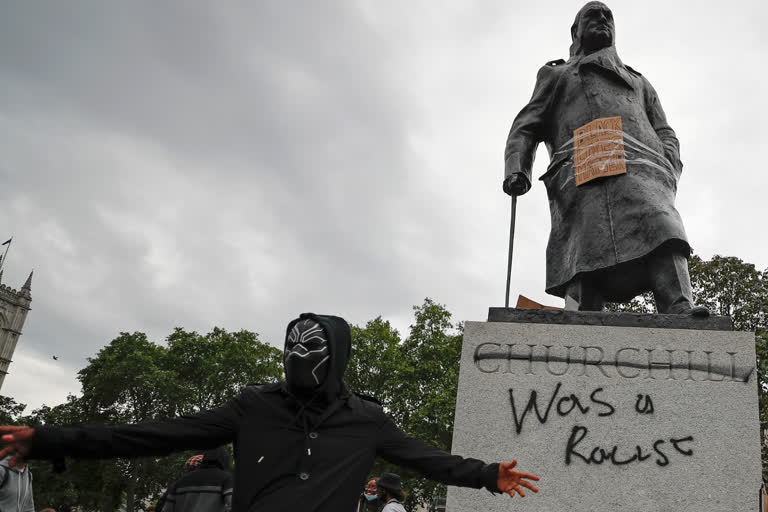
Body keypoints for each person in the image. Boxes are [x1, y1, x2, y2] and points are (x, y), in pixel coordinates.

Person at [0, 313, 539, 511]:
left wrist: (488, 475)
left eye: (313, 350)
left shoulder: (365, 420)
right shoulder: (253, 407)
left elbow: (425, 459)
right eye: (293, 348)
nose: (298, 360)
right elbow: (151, 434)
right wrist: (49, 439)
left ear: (337, 358)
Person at [503, 1, 708, 316]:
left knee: (663, 225)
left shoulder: (639, 81)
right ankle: (584, 313)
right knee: (585, 246)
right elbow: (526, 127)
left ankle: (679, 303)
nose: (601, 19)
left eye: (607, 16)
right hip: (584, 167)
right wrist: (518, 169)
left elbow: (665, 130)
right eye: (592, 15)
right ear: (576, 30)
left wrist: (668, 162)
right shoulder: (557, 75)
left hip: (642, 168)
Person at [161, 446, 233, 512]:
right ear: (224, 460)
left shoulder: (179, 482)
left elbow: (166, 509)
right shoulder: (226, 478)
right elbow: (233, 506)